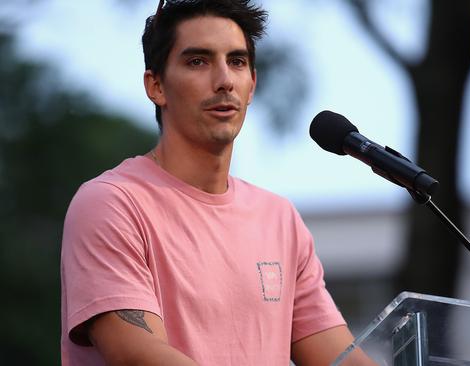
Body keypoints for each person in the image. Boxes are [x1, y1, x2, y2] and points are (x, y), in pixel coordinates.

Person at [60, 1, 363, 364]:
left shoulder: (278, 218)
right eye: (198, 61)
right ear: (155, 85)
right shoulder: (111, 203)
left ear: (251, 85)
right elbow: (138, 355)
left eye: (236, 62)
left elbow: (339, 357)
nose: (223, 81)